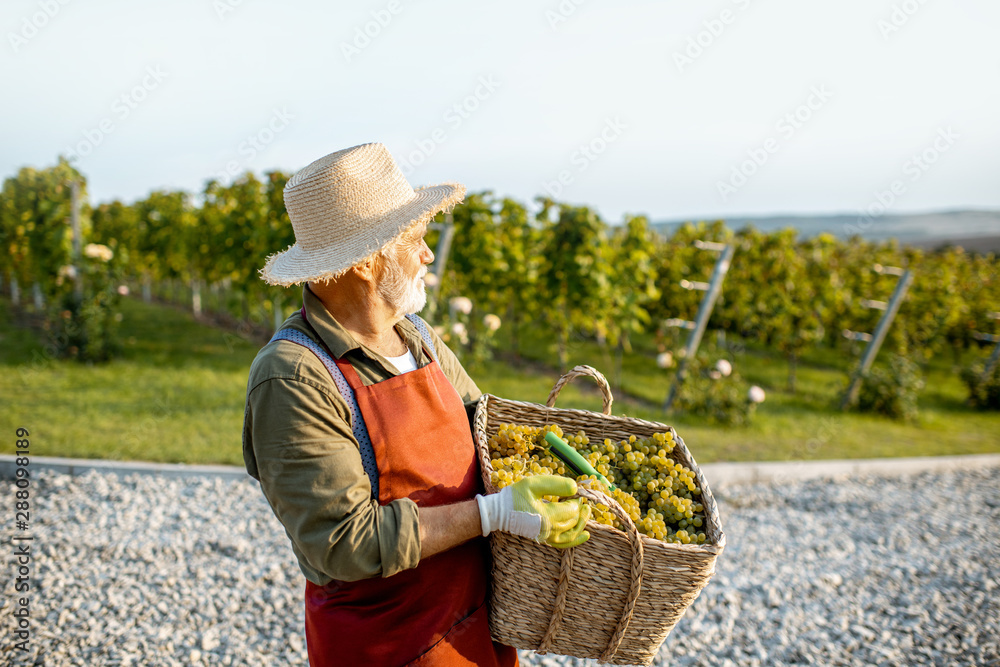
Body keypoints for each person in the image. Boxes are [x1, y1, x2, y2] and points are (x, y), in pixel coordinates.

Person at [242, 142, 591, 666]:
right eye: (416, 240)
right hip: (388, 644)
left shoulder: (418, 338)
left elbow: (490, 429)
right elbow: (342, 543)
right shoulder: (295, 376)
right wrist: (494, 513)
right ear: (366, 261)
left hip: (472, 626)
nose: (428, 255)